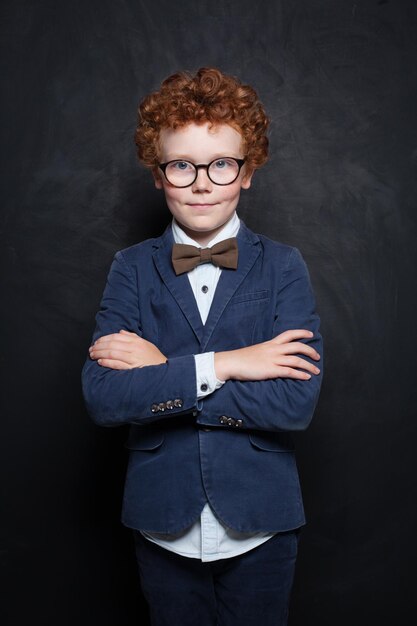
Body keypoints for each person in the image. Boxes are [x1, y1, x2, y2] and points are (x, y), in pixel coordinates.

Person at [82, 67, 323, 626]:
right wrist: (229, 363)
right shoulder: (131, 268)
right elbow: (104, 398)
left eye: (220, 164)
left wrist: (164, 370)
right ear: (158, 176)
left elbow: (295, 403)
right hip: (161, 518)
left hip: (261, 520)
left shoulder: (284, 266)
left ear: (247, 173)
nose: (201, 182)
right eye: (181, 165)